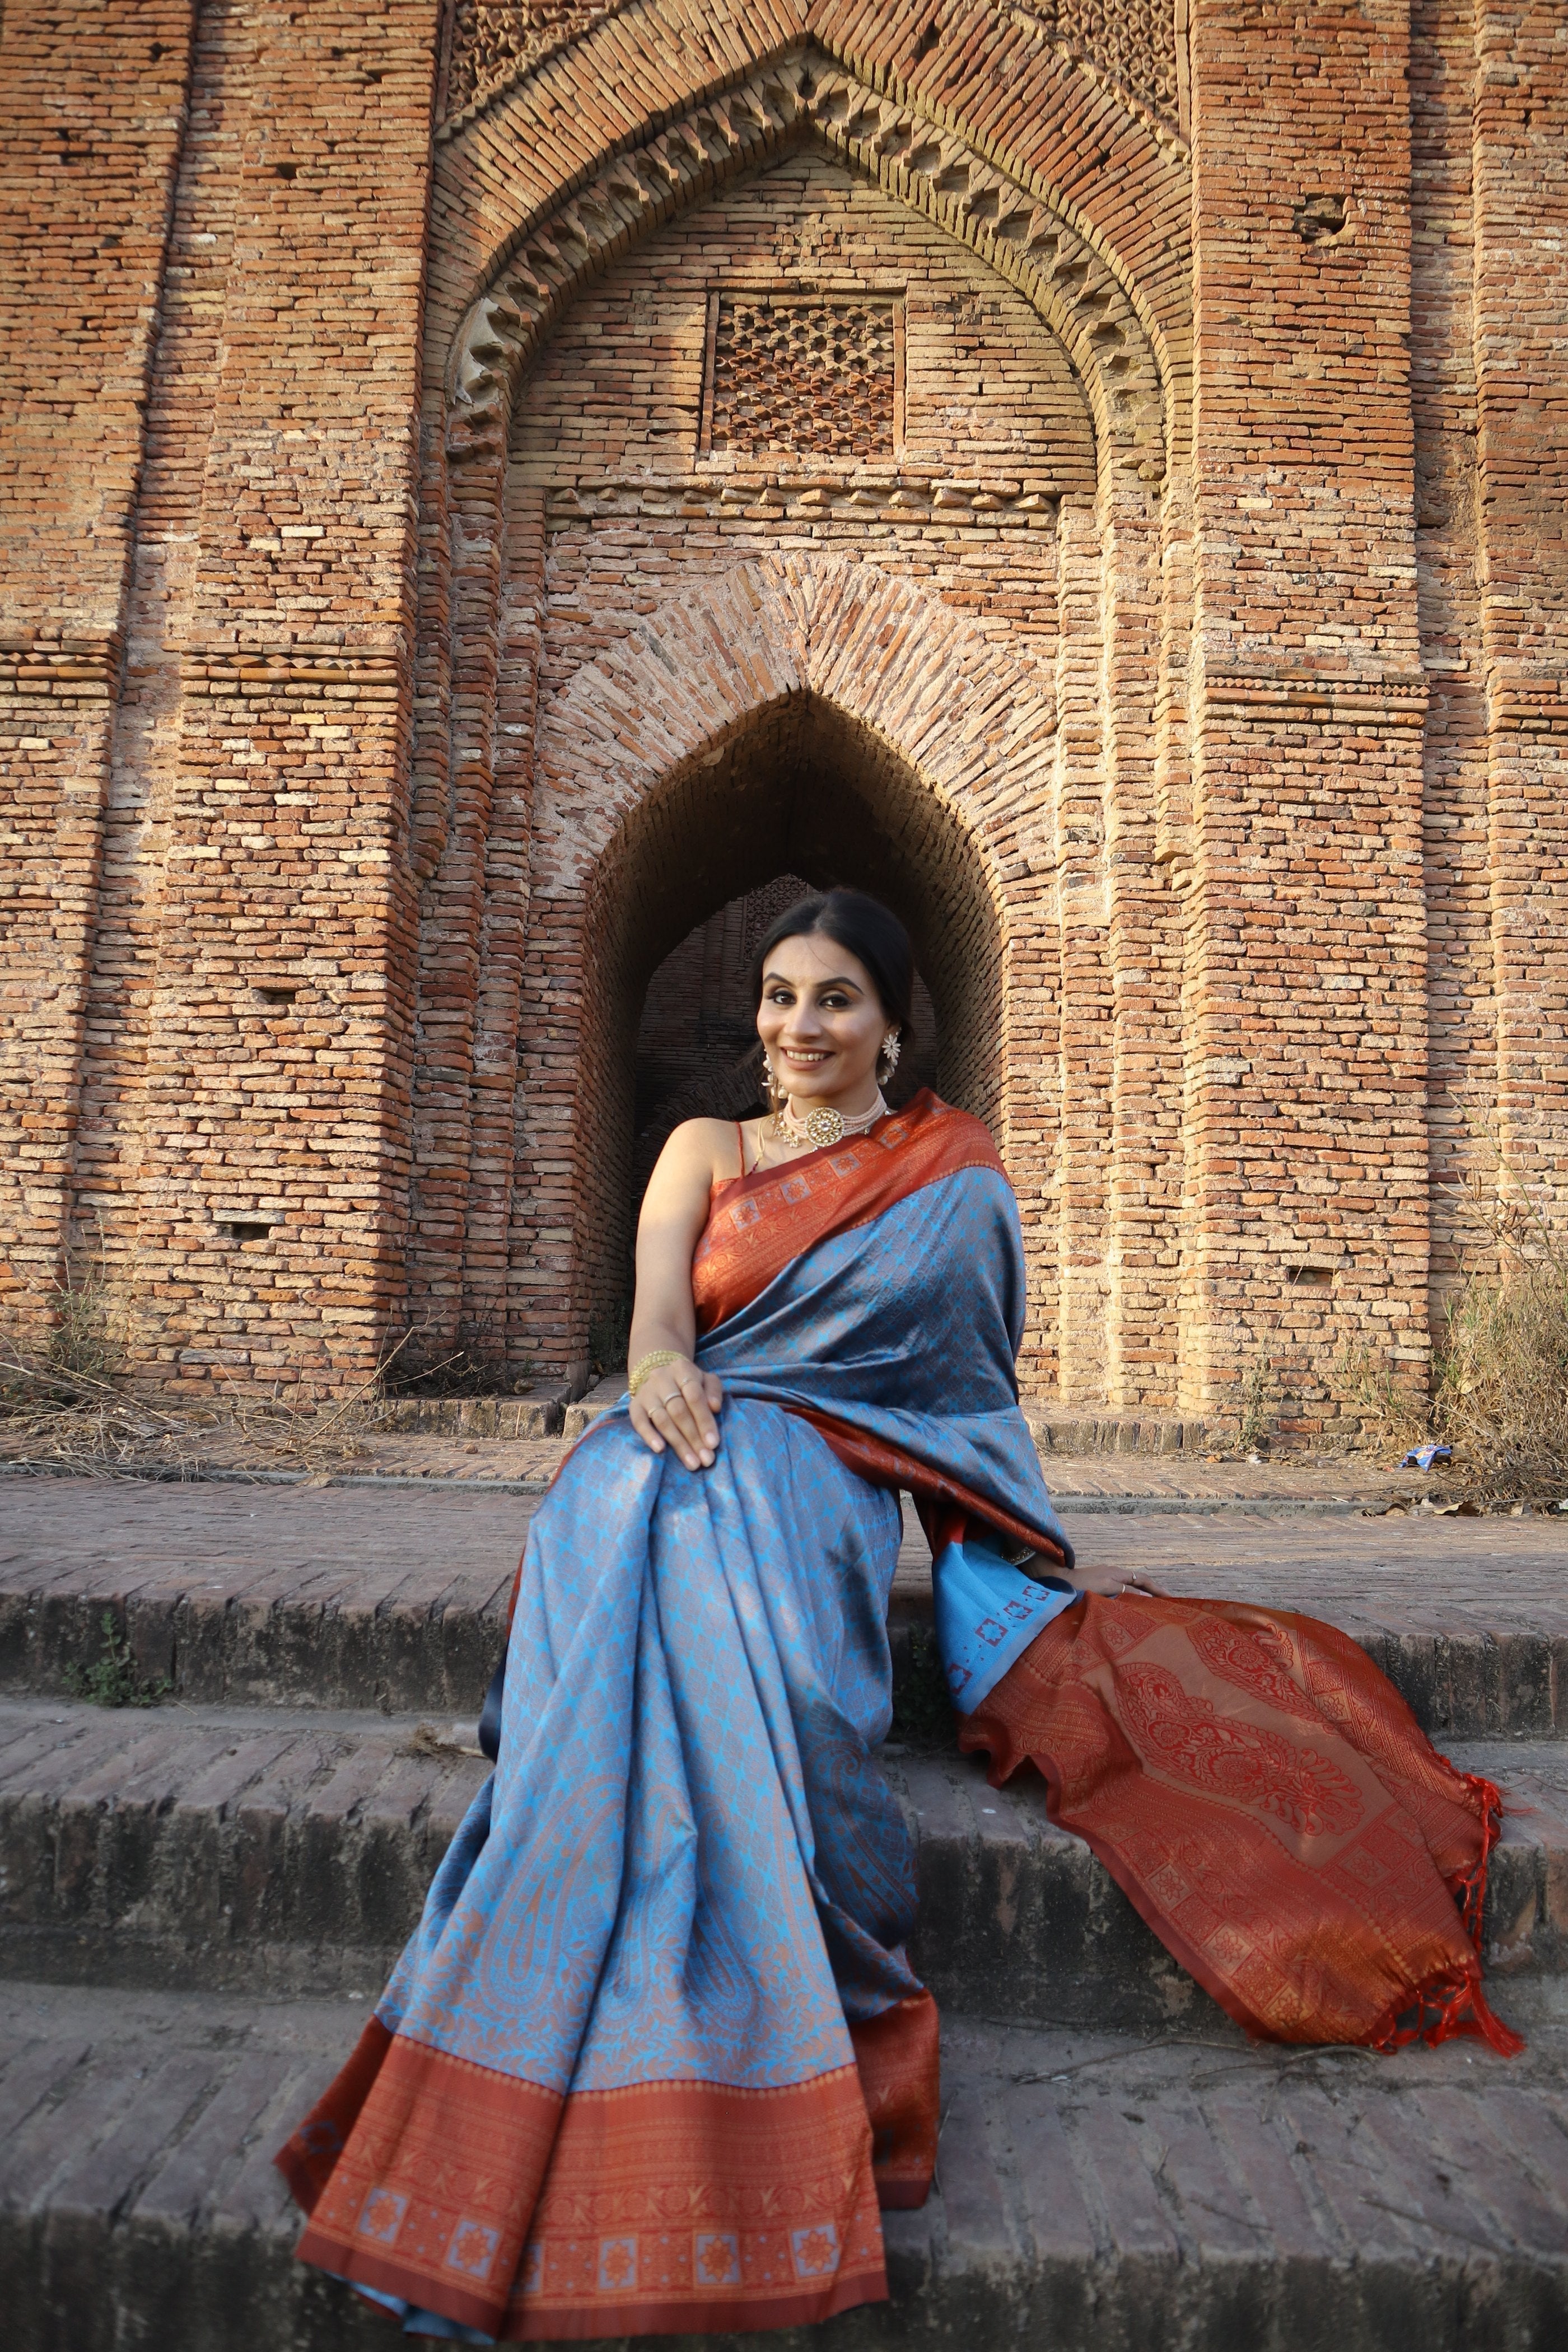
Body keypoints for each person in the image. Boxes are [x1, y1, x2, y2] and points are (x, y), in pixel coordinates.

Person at [277, 888, 1519, 2345]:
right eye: (781, 997)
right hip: (677, 1427)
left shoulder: (951, 1174)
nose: (799, 1026)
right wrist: (663, 1369)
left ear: (893, 1022)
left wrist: (878, 1484)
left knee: (742, 1532)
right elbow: (658, 1309)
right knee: (628, 1489)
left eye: (835, 1001)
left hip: (832, 1461)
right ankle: (599, 1818)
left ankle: (770, 1902)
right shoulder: (703, 1147)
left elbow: (956, 1391)